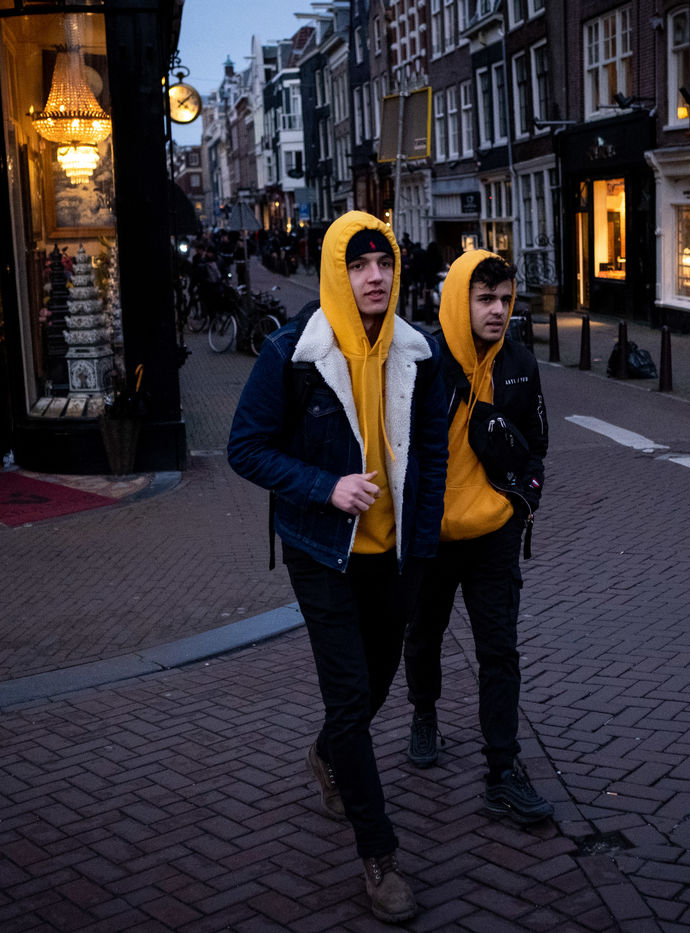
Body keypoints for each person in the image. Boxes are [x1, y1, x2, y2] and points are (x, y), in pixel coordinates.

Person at [227, 211, 448, 923]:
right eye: (358, 264)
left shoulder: (418, 351)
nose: (375, 277)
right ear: (334, 271)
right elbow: (244, 448)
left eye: (384, 262)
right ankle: (379, 857)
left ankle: (326, 754)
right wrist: (326, 486)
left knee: (377, 683)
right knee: (352, 697)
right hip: (323, 550)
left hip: (397, 555)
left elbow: (434, 453)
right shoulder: (292, 354)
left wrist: (423, 543)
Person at [402, 250, 552, 825]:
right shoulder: (423, 362)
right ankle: (424, 714)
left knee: (499, 651)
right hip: (433, 536)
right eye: (485, 298)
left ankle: (502, 771)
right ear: (458, 300)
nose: (497, 311)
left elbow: (536, 442)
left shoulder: (519, 362)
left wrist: (523, 502)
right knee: (424, 635)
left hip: (493, 534)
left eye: (505, 300)